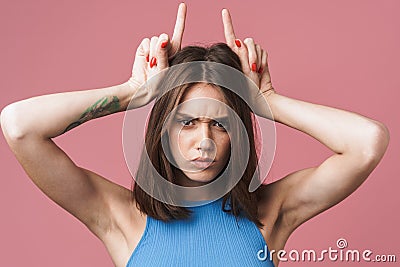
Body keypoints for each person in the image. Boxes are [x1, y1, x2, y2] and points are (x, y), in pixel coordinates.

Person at [0, 3, 390, 267]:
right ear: (162, 132)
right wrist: (132, 92)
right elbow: (19, 126)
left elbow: (367, 142)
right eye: (187, 122)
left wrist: (268, 100)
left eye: (220, 123)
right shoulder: (120, 217)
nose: (203, 140)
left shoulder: (272, 211)